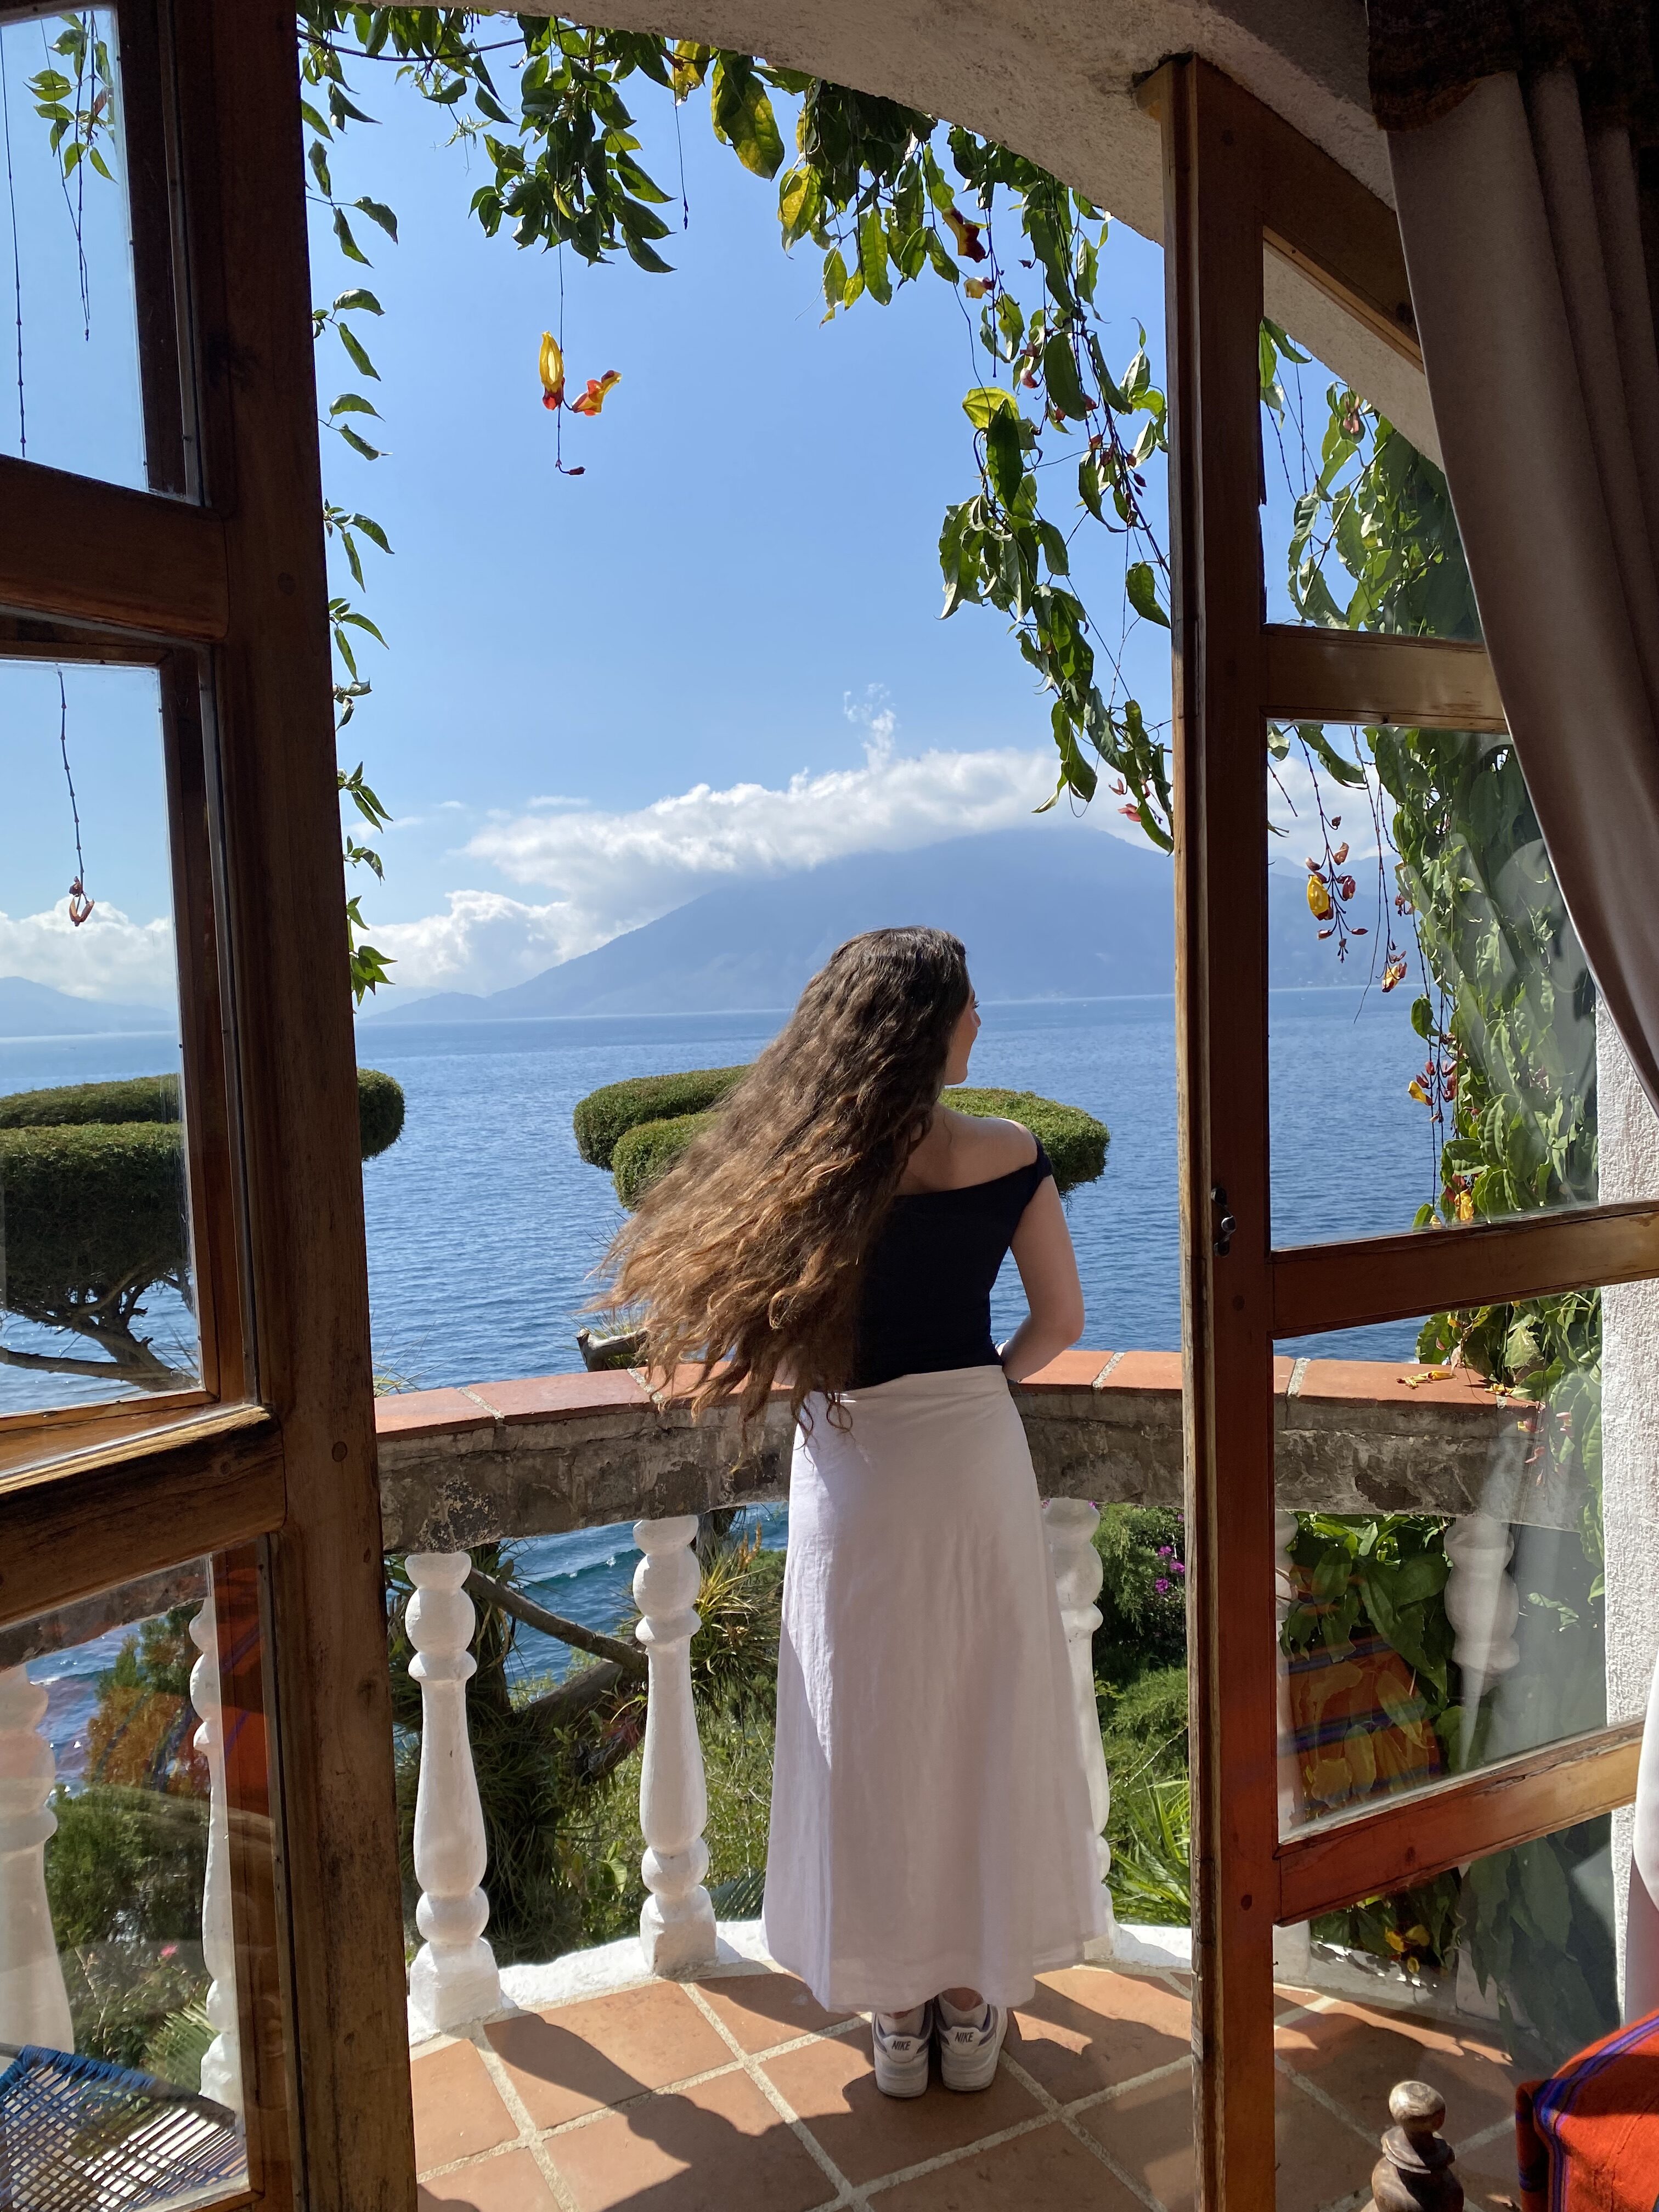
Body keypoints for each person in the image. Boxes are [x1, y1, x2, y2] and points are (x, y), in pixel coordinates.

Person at [602, 926, 1105, 2098]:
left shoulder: (807, 1174)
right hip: (974, 1456)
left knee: (867, 1732)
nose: (982, 1025)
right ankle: (976, 2010)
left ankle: (894, 2013)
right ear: (932, 1030)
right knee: (984, 1715)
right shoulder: (1012, 1151)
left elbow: (762, 1340)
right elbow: (1061, 1321)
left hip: (858, 1472)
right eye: (970, 1009)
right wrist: (980, 1387)